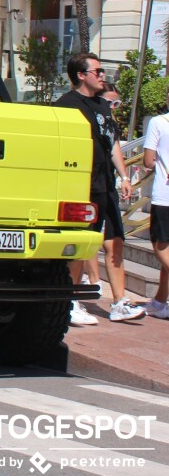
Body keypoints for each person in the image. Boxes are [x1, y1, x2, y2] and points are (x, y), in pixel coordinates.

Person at [54, 53, 145, 323]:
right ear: (81, 75)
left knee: (115, 240)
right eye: (97, 70)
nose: (103, 75)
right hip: (83, 185)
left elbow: (113, 142)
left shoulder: (102, 106)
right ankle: (69, 301)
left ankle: (119, 302)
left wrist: (124, 176)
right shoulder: (67, 105)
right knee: (83, 243)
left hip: (105, 184)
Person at [141, 102, 169, 319]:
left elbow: (148, 161)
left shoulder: (159, 122)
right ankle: (160, 301)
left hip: (164, 195)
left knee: (160, 246)